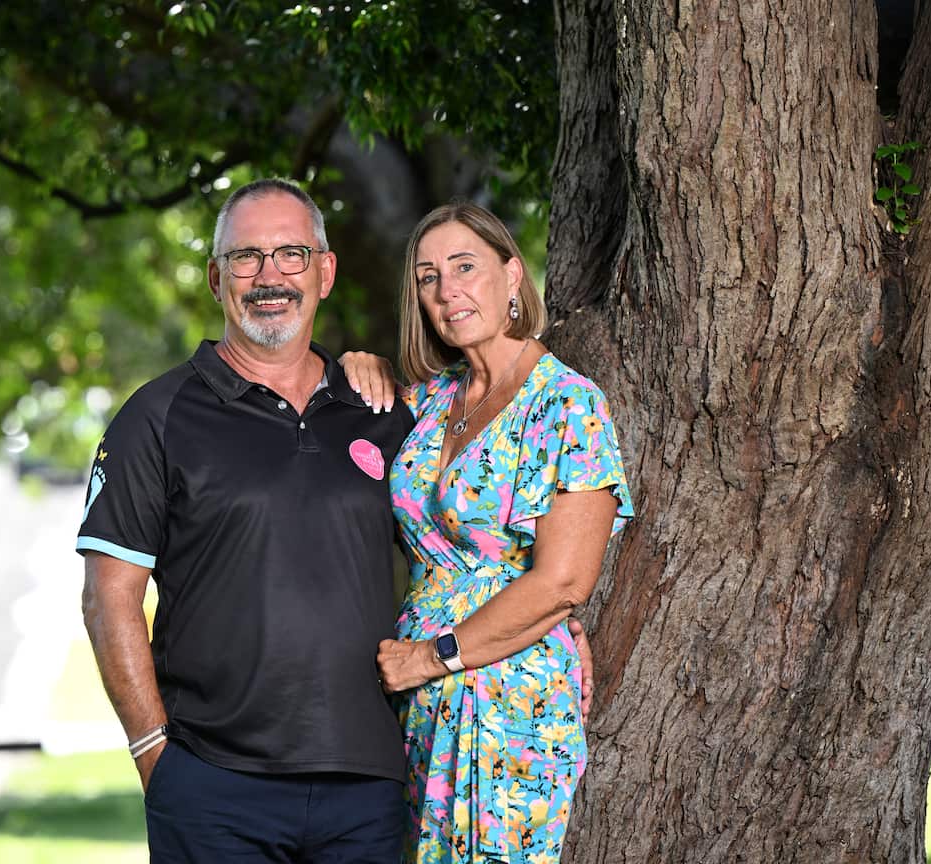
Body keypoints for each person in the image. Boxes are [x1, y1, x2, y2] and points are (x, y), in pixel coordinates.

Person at [76, 178, 415, 862]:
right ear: (214, 277)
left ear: (324, 271)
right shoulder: (156, 417)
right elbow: (108, 598)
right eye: (245, 258)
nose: (269, 277)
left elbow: (464, 546)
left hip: (370, 783)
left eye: (291, 254)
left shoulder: (384, 412)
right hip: (213, 787)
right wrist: (155, 757)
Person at [358, 202, 634, 862]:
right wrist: (351, 362)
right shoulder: (431, 401)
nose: (447, 290)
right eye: (428, 277)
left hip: (510, 697)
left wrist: (431, 656)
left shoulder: (565, 403)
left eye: (465, 267)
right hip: (421, 703)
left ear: (512, 275)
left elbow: (564, 580)